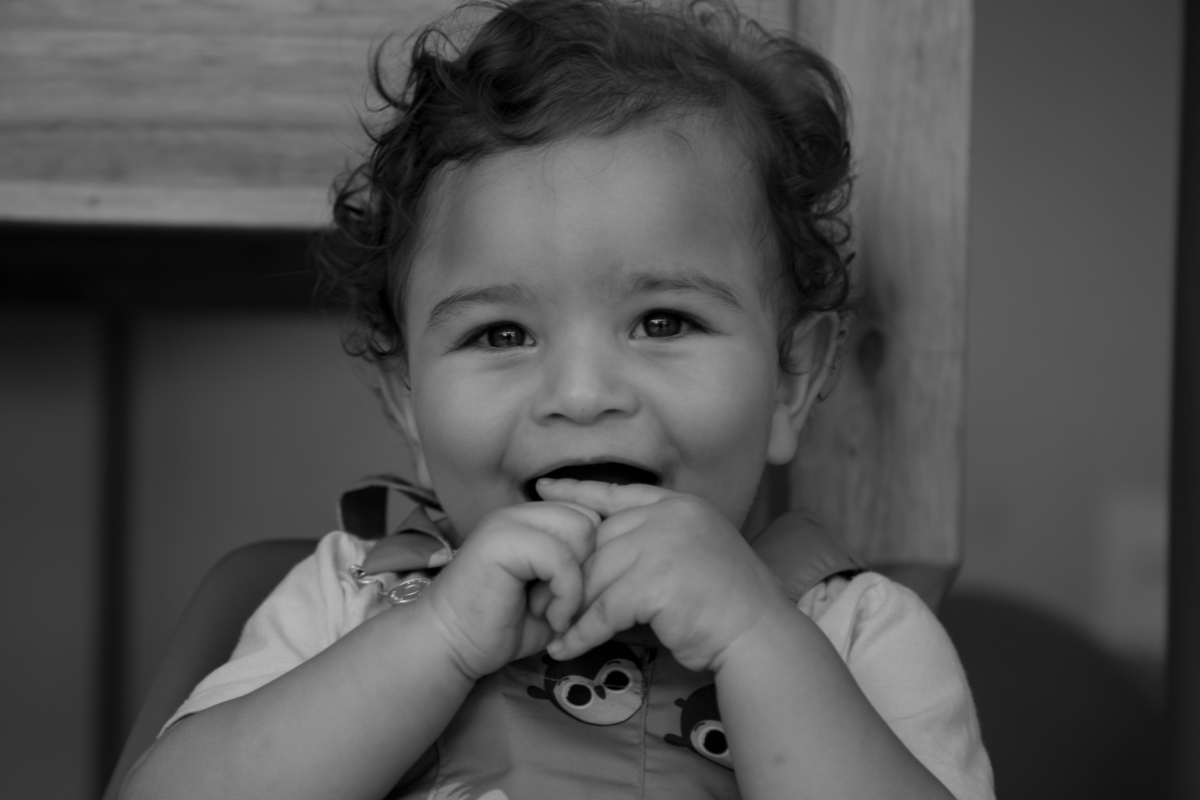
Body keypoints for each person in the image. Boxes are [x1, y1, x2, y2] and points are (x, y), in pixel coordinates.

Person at [120, 1, 993, 798]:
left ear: (790, 381)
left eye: (662, 321)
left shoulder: (856, 632)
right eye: (501, 334)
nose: (581, 395)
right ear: (408, 400)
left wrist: (755, 637)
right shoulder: (352, 602)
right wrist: (440, 638)